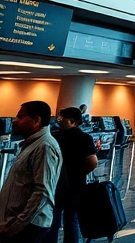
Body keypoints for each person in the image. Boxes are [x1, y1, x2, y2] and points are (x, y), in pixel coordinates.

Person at [0, 101, 62, 243]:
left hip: (27, 227)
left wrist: (17, 225)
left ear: (36, 120)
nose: (15, 121)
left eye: (20, 117)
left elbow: (43, 193)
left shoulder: (44, 147)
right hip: (17, 225)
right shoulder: (32, 144)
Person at [44, 107, 98, 243]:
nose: (59, 121)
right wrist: (79, 173)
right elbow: (92, 162)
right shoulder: (85, 138)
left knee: (53, 219)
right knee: (71, 220)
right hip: (76, 185)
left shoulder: (55, 136)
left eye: (62, 119)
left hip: (56, 184)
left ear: (73, 121)